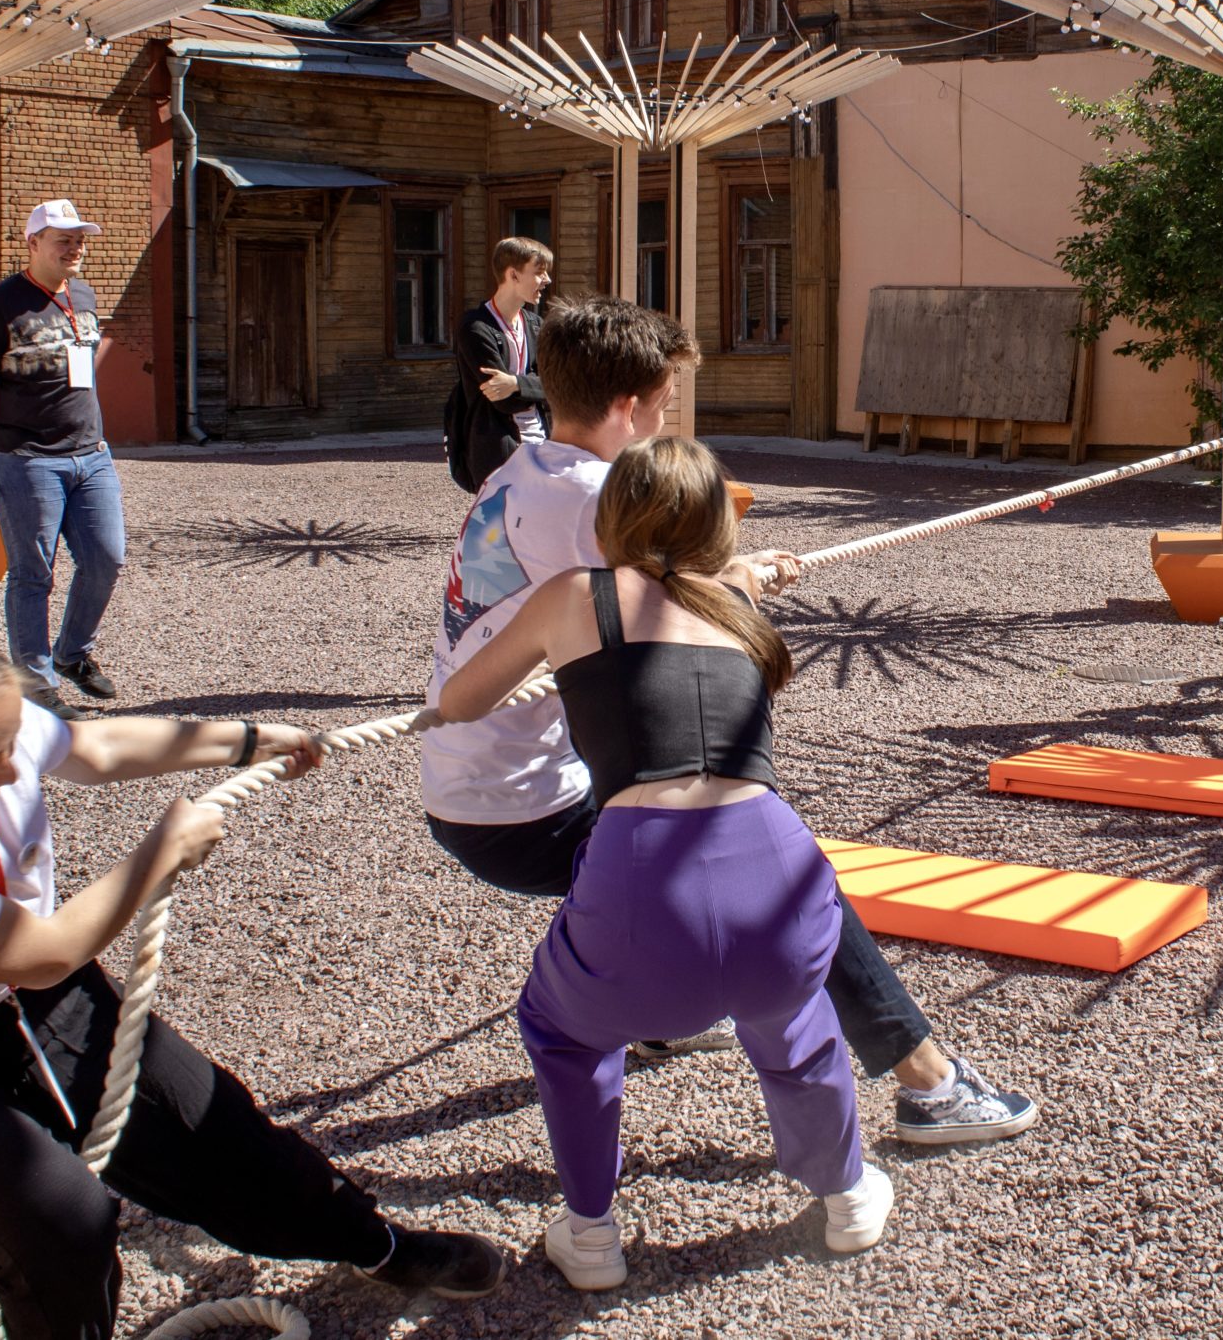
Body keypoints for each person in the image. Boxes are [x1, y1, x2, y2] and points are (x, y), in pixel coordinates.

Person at [0, 607, 504, 1339]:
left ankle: (371, 1242)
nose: (9, 769)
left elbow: (95, 745)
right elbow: (46, 950)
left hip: (42, 1005)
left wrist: (244, 739)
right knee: (62, 1223)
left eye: (8, 745)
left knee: (218, 1125)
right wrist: (159, 852)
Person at [420, 295, 1037, 1147]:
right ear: (630, 407)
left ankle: (665, 1011)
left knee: (700, 821)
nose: (667, 416)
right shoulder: (597, 500)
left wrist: (732, 568)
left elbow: (634, 592)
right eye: (665, 401)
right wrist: (736, 580)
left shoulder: (522, 468)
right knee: (780, 868)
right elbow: (678, 614)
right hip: (529, 808)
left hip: (466, 794)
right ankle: (927, 1082)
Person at [439, 436, 890, 1287]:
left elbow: (460, 698)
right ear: (719, 527)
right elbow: (711, 587)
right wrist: (752, 574)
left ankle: (593, 1232)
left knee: (563, 1028)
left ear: (611, 517)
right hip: (783, 862)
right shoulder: (734, 600)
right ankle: (849, 1193)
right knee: (794, 1023)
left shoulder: (575, 594)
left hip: (643, 870)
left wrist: (560, 663)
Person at [0, 198, 126, 720]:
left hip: (90, 453)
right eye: (63, 239)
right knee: (33, 573)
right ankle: (34, 683)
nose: (74, 248)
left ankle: (71, 655)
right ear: (33, 244)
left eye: (79, 239)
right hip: (25, 458)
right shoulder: (1, 304)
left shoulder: (83, 293)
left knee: (106, 557)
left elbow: (83, 365)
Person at [448, 237, 555, 490]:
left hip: (542, 441)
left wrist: (516, 383)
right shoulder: (475, 328)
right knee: (500, 526)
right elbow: (504, 401)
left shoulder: (535, 325)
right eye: (539, 272)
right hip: (498, 449)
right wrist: (537, 388)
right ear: (513, 275)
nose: (547, 280)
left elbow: (560, 386)